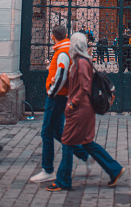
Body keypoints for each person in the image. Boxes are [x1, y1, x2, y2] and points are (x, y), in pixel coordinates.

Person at [46, 32, 125, 192]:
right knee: (87, 143)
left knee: (67, 141)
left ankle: (63, 180)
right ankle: (114, 169)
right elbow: (78, 82)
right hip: (83, 108)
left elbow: (85, 87)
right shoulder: (81, 61)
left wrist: (73, 104)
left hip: (80, 109)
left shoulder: (82, 62)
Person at [30, 26, 91, 183]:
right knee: (59, 132)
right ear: (65, 35)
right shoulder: (65, 48)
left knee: (46, 132)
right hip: (62, 96)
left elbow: (61, 75)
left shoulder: (62, 51)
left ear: (52, 36)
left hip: (57, 97)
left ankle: (47, 169)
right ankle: (84, 155)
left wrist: (51, 92)